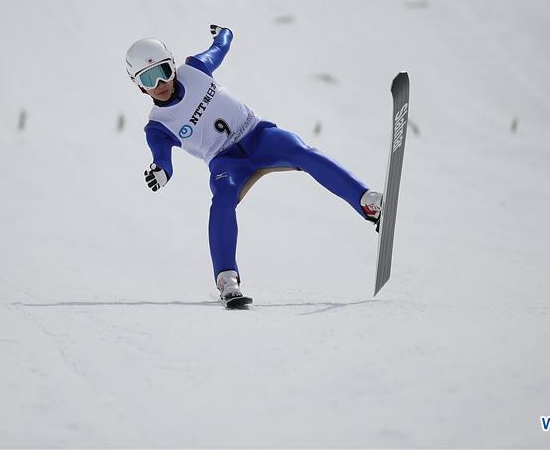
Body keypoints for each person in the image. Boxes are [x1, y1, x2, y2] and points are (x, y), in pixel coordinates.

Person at [126, 25, 382, 303]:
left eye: (162, 72)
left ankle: (367, 202)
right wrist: (161, 171)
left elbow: (219, 48)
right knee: (222, 199)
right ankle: (226, 279)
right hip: (226, 162)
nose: (159, 84)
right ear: (139, 86)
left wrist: (225, 33)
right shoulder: (158, 126)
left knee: (302, 151)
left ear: (173, 67)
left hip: (259, 135)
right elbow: (162, 157)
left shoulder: (196, 69)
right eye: (148, 79)